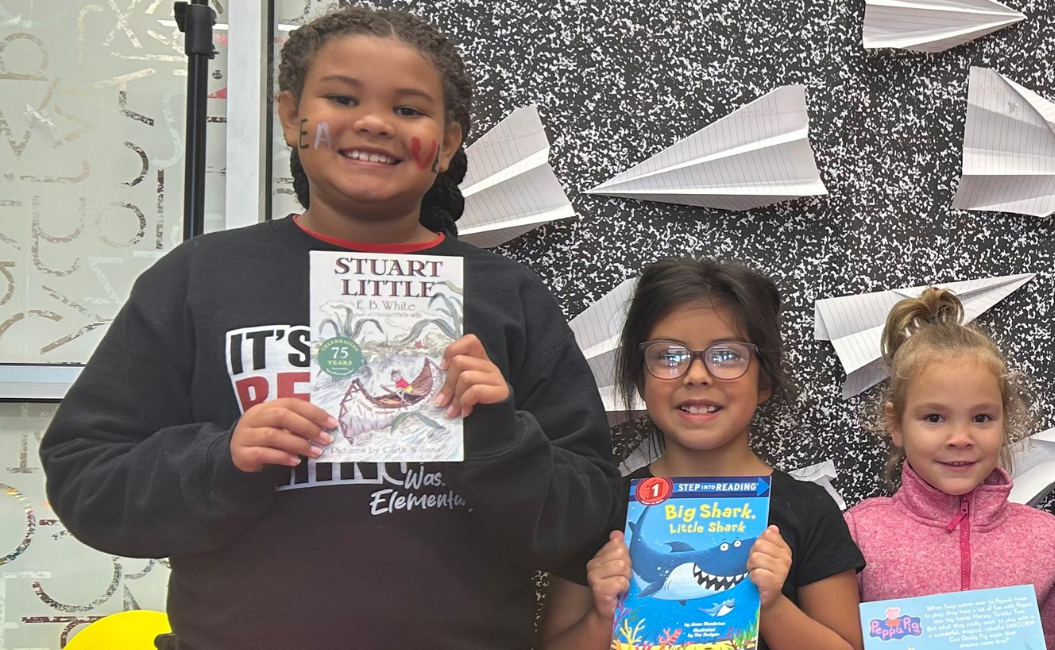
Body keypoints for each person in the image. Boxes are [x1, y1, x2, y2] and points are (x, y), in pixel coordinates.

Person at [38, 7, 619, 649]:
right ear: (290, 115)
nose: (373, 121)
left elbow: (586, 520)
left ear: (449, 143)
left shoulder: (509, 295)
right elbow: (86, 479)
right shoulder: (202, 279)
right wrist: (222, 457)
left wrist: (498, 437)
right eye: (342, 97)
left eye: (409, 110)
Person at [537, 258, 866, 650]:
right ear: (639, 378)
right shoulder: (599, 507)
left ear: (765, 381)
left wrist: (772, 604)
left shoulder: (809, 510)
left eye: (727, 354)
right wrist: (602, 616)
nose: (696, 375)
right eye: (668, 355)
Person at [845, 288, 1055, 648]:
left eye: (981, 417)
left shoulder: (1046, 540)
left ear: (1004, 421)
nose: (961, 437)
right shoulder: (860, 533)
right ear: (896, 424)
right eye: (934, 417)